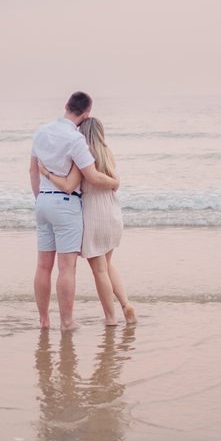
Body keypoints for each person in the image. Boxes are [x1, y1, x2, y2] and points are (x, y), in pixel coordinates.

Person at [30, 92, 120, 331]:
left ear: (66, 106)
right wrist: (114, 182)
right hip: (66, 205)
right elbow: (91, 176)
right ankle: (67, 322)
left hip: (43, 202)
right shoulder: (75, 139)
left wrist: (41, 198)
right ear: (86, 114)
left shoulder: (41, 131)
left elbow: (32, 171)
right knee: (66, 268)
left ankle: (43, 321)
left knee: (42, 266)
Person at [38, 116, 137, 326]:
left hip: (93, 215)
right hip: (111, 213)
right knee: (108, 265)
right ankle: (125, 304)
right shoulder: (108, 154)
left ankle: (111, 319)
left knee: (99, 269)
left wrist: (46, 173)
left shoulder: (84, 157)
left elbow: (68, 184)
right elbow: (111, 183)